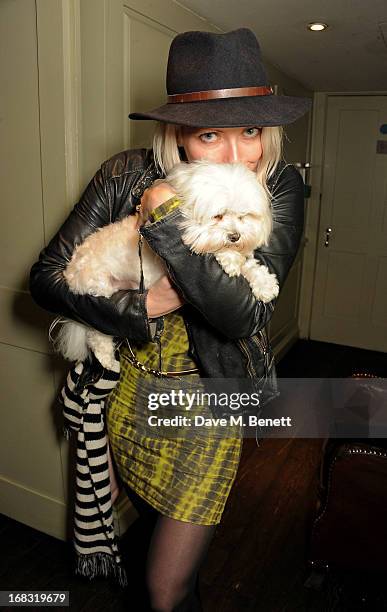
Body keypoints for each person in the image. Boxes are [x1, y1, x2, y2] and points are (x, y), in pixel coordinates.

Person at [29, 27, 311, 612]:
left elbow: (239, 315)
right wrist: (139, 307)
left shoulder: (279, 185)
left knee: (166, 588)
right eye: (212, 134)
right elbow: (47, 278)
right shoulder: (124, 172)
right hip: (127, 391)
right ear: (178, 132)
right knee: (146, 544)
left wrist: (165, 222)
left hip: (210, 403)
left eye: (252, 132)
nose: (238, 156)